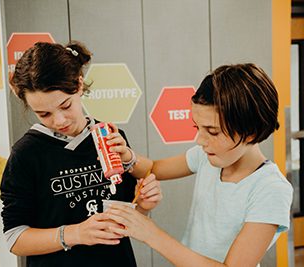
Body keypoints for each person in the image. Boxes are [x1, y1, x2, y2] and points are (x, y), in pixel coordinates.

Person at [105, 63, 293, 267]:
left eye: (212, 131)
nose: (199, 140)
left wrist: (151, 234)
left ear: (251, 133)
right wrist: (127, 157)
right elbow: (154, 169)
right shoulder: (208, 156)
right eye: (197, 127)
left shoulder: (271, 189)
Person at [0, 41, 162, 267]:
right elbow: (15, 237)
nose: (59, 121)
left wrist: (143, 205)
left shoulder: (110, 138)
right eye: (44, 114)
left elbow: (126, 216)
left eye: (65, 106)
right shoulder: (25, 155)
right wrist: (75, 234)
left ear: (78, 84)